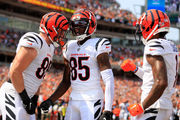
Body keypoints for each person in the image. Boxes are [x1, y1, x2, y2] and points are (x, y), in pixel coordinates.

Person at [39, 9, 114, 120]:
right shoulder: (69, 46)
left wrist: (108, 109)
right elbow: (66, 81)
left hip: (92, 98)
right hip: (74, 99)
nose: (77, 28)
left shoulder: (99, 44)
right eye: (74, 25)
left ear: (91, 25)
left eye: (81, 25)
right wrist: (51, 100)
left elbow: (108, 79)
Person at [0, 12, 69, 120]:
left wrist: (35, 99)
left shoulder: (50, 48)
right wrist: (25, 99)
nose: (63, 35)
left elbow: (37, 78)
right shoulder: (35, 40)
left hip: (27, 96)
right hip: (14, 93)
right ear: (52, 28)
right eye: (61, 31)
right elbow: (15, 71)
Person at [121, 9, 179, 120]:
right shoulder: (170, 45)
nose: (141, 31)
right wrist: (135, 69)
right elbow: (153, 77)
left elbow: (161, 82)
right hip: (163, 105)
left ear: (151, 26)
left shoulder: (153, 45)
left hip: (153, 107)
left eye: (143, 27)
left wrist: (142, 106)